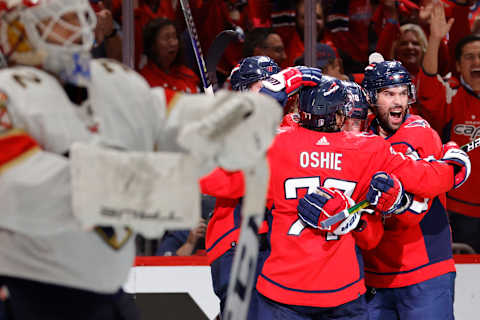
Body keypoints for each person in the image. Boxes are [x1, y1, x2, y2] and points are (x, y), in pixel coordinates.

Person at [0, 1, 286, 319]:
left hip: (106, 288)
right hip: (32, 291)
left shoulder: (106, 79)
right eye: (62, 21)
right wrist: (161, 188)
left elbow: (162, 114)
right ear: (19, 30)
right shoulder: (7, 97)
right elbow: (28, 188)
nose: (79, 29)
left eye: (78, 16)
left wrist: (231, 118)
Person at [254, 75, 470, 319]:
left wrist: (270, 93)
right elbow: (427, 182)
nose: (353, 126)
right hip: (343, 288)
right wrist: (454, 165)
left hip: (281, 283)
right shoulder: (368, 149)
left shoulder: (277, 139)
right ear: (339, 115)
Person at [361, 59, 459, 320]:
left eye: (403, 93)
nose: (398, 102)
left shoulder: (418, 130)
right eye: (389, 94)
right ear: (370, 97)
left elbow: (429, 183)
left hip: (425, 270)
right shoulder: (362, 135)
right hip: (375, 273)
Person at [202, 55, 280, 318]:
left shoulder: (284, 129)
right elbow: (209, 179)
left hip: (274, 247)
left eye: (277, 83)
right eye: (265, 84)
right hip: (237, 245)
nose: (275, 90)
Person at [417, 4, 480, 253]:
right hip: (458, 209)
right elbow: (427, 88)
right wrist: (434, 39)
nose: (477, 62)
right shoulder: (451, 93)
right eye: (469, 56)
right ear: (458, 63)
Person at [139, 18, 200, 105]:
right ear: (152, 45)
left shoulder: (187, 74)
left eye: (175, 37)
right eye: (166, 38)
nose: (173, 43)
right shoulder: (144, 81)